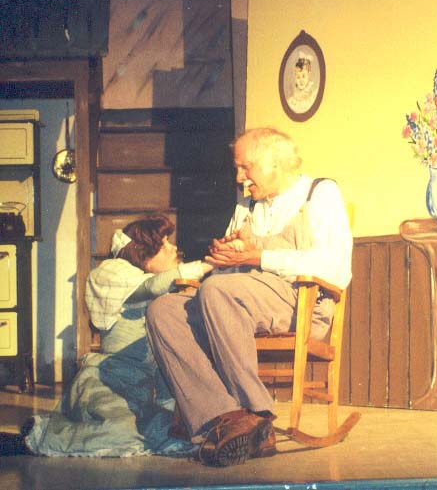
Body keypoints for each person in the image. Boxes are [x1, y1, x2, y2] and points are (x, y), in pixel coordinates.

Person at [146, 127, 352, 467]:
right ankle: (224, 417)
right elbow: (232, 266)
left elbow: (334, 266)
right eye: (238, 168)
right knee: (163, 310)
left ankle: (257, 414)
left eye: (246, 167)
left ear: (276, 163)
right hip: (237, 295)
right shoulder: (248, 204)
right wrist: (223, 255)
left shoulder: (319, 193)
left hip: (302, 300)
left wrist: (257, 257)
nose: (240, 178)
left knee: (218, 291)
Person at [0, 215, 212, 457]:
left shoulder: (167, 291)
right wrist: (207, 265)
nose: (173, 248)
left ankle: (54, 430)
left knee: (170, 431)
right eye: (163, 244)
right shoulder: (114, 272)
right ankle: (37, 437)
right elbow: (151, 286)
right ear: (141, 251)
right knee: (122, 431)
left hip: (141, 390)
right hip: (108, 381)